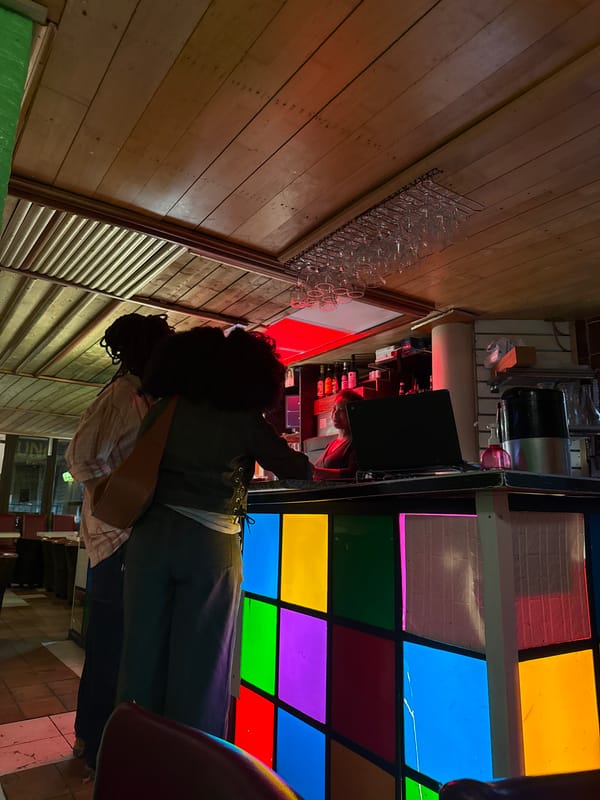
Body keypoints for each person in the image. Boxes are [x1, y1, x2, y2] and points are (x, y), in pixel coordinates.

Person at [117, 326, 312, 736]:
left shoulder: (165, 408)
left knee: (140, 656)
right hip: (208, 545)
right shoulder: (241, 418)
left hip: (149, 540)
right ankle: (189, 763)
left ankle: (133, 754)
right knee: (201, 667)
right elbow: (294, 468)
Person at [65, 312, 173, 775]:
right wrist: (118, 505)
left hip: (124, 541)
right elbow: (80, 458)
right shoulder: (122, 394)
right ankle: (95, 745)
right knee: (111, 647)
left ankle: (97, 739)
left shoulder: (141, 395)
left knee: (117, 645)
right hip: (116, 543)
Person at [313, 388, 363, 480]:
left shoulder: (356, 442)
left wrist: (315, 471)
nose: (335, 414)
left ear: (353, 413)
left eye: (342, 410)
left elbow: (353, 474)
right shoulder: (331, 444)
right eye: (334, 408)